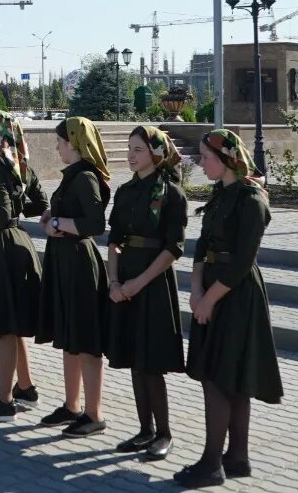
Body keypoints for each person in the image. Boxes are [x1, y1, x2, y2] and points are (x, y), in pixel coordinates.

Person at [176, 129, 283, 488]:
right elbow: (202, 244)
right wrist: (195, 288)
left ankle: (211, 463)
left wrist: (209, 298)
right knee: (227, 378)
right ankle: (236, 457)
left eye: (206, 157)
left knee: (221, 378)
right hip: (213, 288)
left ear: (226, 160)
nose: (200, 162)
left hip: (236, 294)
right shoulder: (222, 194)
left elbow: (242, 261)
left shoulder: (252, 199)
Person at [105, 126, 188, 459]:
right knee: (135, 361)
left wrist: (137, 283)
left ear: (155, 153)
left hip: (153, 283)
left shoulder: (171, 194)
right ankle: (144, 430)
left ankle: (164, 433)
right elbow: (114, 240)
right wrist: (113, 282)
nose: (130, 155)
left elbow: (174, 248)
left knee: (151, 363)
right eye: (129, 149)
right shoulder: (125, 192)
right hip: (123, 281)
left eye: (137, 149)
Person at [0, 113, 47, 422]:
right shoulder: (22, 165)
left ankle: (4, 400)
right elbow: (39, 203)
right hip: (21, 243)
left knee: (4, 324)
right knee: (14, 325)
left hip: (1, 246)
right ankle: (25, 388)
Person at [37, 117, 111, 438]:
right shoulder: (74, 176)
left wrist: (57, 225)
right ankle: (71, 406)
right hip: (66, 261)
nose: (56, 147)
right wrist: (53, 219)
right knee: (71, 336)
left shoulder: (85, 177)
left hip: (80, 263)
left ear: (74, 143)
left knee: (86, 341)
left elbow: (95, 223)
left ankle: (93, 414)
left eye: (60, 142)